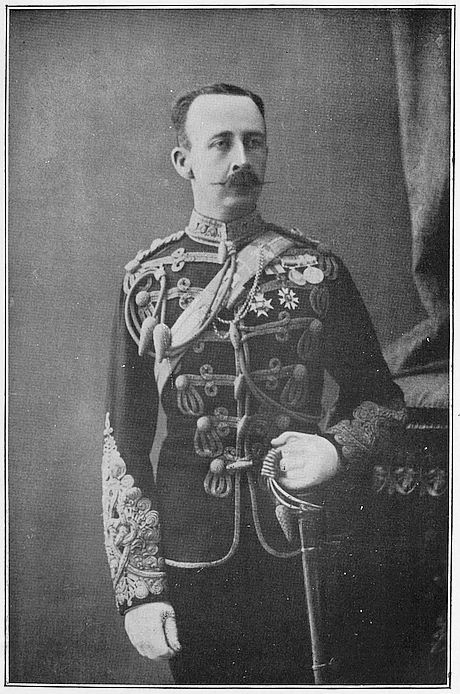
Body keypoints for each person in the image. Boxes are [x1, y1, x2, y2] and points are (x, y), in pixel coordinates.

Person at [102, 83, 406, 685]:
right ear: (184, 161)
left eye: (254, 142)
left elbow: (383, 402)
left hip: (305, 538)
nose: (242, 159)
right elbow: (123, 442)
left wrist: (335, 449)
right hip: (191, 553)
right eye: (221, 143)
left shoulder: (316, 270)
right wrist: (138, 591)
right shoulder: (147, 283)